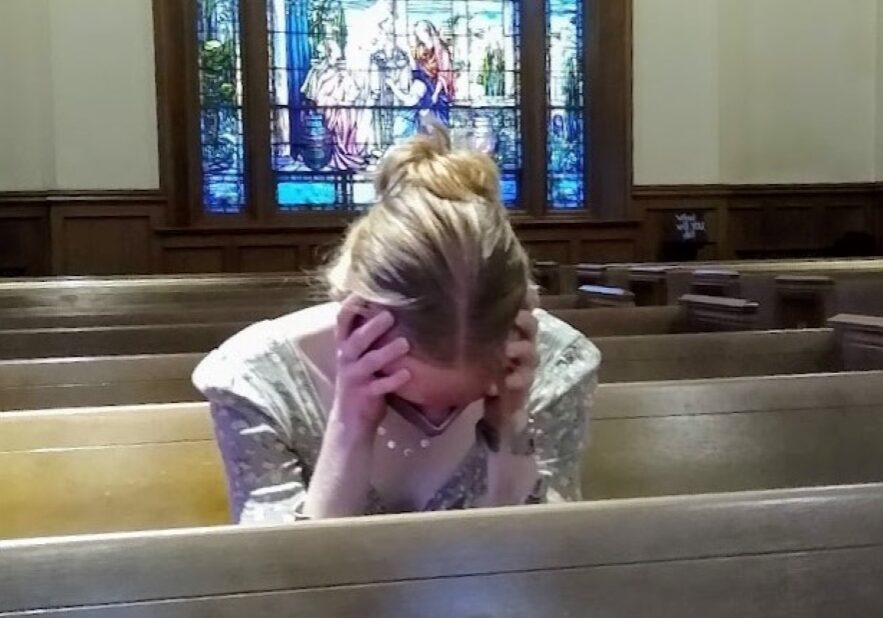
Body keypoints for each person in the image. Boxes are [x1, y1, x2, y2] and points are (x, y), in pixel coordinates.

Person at [193, 123, 601, 524]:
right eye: (410, 399)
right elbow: (283, 580)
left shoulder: (552, 365)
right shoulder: (259, 381)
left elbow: (540, 569)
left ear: (515, 328)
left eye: (462, 400)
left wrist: (511, 426)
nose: (436, 419)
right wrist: (350, 428)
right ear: (358, 323)